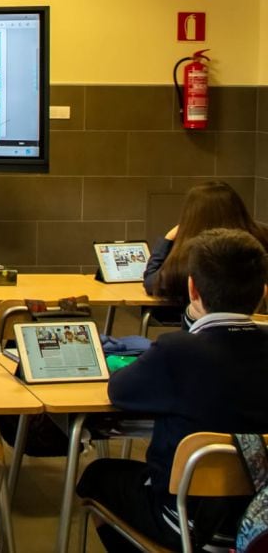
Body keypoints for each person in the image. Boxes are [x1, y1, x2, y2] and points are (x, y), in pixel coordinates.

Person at [77, 228, 268, 551]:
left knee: (97, 476)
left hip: (187, 521)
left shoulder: (178, 351)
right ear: (263, 292)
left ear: (192, 288)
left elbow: (119, 391)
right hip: (257, 519)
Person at [143, 181, 268, 325]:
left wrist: (167, 239)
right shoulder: (260, 241)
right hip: (257, 331)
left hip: (202, 331)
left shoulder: (189, 254)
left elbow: (152, 283)